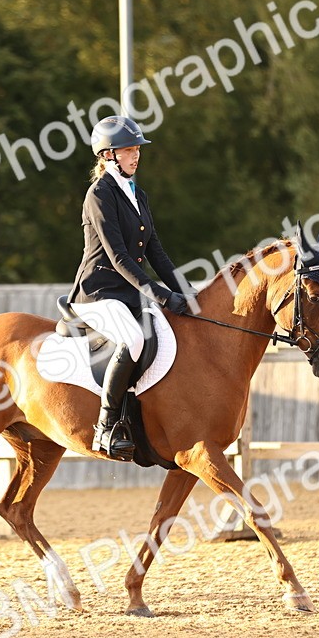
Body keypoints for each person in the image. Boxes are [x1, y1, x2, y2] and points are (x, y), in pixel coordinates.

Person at [67, 115, 192, 460]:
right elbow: (119, 257)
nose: (135, 156)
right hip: (98, 293)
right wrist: (163, 295)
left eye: (137, 149)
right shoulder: (99, 195)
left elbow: (157, 252)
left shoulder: (138, 194)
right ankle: (106, 426)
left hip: (128, 294)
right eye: (128, 150)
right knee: (134, 339)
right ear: (108, 155)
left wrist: (187, 292)